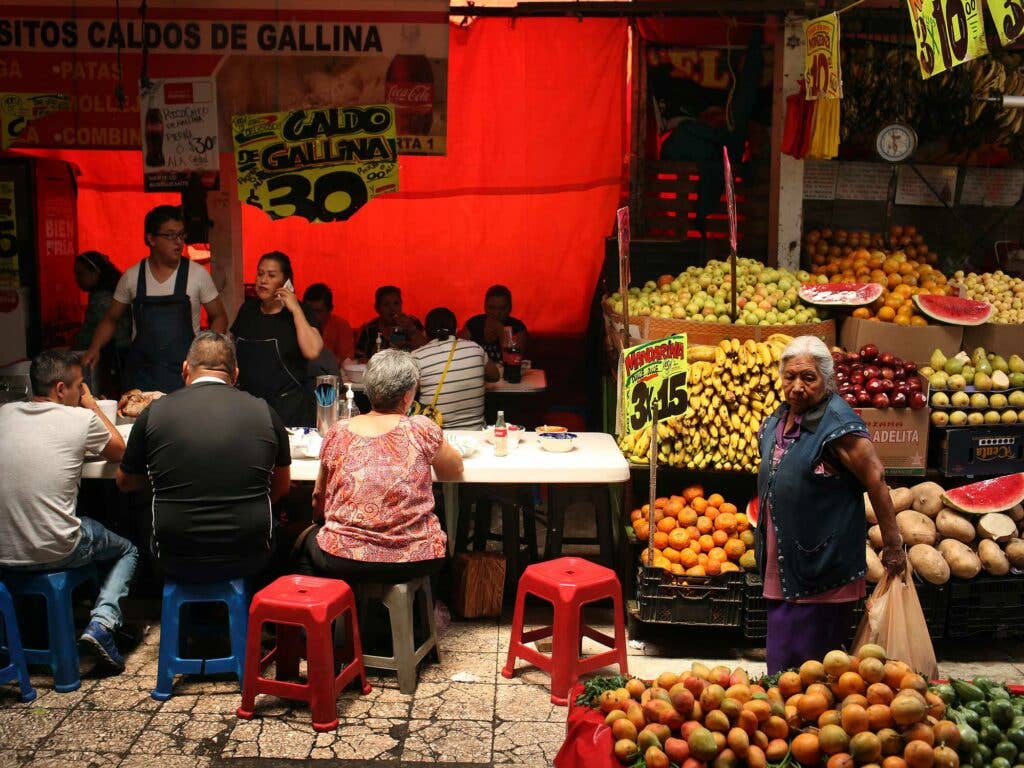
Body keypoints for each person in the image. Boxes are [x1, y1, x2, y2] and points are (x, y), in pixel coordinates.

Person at [756, 336, 906, 674]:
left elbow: (877, 482)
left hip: (823, 568)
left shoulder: (840, 426)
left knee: (815, 670)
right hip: (784, 562)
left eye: (808, 378)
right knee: (781, 664)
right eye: (790, 377)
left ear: (828, 380)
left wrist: (894, 545)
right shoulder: (776, 420)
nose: (797, 387)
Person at [116, 332, 292, 583]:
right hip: (249, 554)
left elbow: (125, 482)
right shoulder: (265, 412)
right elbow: (282, 486)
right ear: (235, 375)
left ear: (185, 369)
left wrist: (163, 478)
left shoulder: (154, 412)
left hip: (174, 555)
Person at [0, 351, 137, 670]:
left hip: (3, 551)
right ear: (61, 389)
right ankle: (102, 622)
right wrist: (90, 406)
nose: (83, 392)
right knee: (127, 549)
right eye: (80, 386)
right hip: (56, 548)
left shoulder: (4, 413)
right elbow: (120, 450)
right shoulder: (79, 418)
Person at [297, 349, 463, 583]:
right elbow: (453, 471)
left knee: (306, 543)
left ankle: (323, 613)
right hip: (416, 557)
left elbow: (318, 498)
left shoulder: (338, 431)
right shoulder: (421, 428)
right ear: (407, 396)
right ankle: (424, 613)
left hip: (344, 557)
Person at [81, 205, 228, 394]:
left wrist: (207, 352)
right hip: (142, 376)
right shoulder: (132, 277)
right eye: (170, 235)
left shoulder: (197, 275)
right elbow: (111, 319)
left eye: (181, 235)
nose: (179, 242)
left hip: (185, 374)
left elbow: (219, 317)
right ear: (151, 239)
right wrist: (95, 348)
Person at [230, 252, 323, 427]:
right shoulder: (247, 310)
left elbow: (312, 351)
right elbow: (232, 347)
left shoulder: (302, 311)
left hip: (290, 410)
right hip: (250, 409)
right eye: (260, 274)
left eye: (271, 275)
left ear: (286, 282)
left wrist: (295, 308)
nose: (263, 280)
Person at [412, 307, 499, 430]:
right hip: (475, 436)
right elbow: (495, 376)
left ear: (425, 332)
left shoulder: (417, 357)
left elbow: (407, 394)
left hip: (436, 440)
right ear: (456, 329)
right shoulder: (475, 349)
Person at [73, 250, 131, 395]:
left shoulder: (102, 299)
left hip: (111, 359)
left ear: (95, 272)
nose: (77, 279)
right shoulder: (113, 291)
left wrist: (73, 348)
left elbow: (96, 331)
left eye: (80, 273)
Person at [459, 284, 528, 363]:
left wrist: (502, 333)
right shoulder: (473, 324)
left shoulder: (518, 328)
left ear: (510, 308)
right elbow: (459, 355)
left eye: (502, 308)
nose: (496, 313)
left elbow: (514, 360)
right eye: (492, 308)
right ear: (485, 306)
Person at [354, 286, 426, 360]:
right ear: (377, 308)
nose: (392, 308)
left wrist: (411, 329)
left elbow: (426, 347)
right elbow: (358, 358)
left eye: (396, 303)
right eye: (386, 305)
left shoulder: (412, 322)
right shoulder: (369, 329)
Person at [303, 283, 354, 364]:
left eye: (318, 311)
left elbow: (346, 360)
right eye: (309, 311)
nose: (313, 315)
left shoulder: (341, 325)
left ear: (330, 310)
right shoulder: (297, 324)